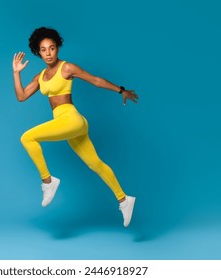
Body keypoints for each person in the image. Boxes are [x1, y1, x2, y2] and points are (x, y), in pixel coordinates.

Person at [12, 27, 139, 227]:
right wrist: (16, 73)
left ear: (57, 48)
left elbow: (95, 80)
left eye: (52, 48)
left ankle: (48, 182)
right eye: (43, 49)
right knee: (95, 163)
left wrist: (120, 90)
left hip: (71, 119)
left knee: (27, 138)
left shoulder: (66, 68)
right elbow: (21, 96)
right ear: (38, 52)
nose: (48, 53)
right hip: (68, 124)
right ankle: (124, 200)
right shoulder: (40, 77)